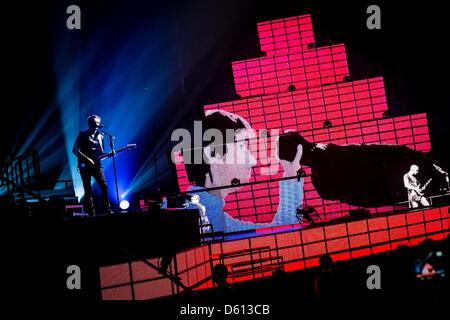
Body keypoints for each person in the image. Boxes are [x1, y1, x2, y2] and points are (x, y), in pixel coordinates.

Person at [181, 110, 303, 234]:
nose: (252, 160)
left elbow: (283, 231)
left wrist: (291, 174)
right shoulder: (188, 219)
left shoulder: (221, 221)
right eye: (241, 146)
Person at [278, 131, 440, 208]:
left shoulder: (323, 185)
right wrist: (406, 153)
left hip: (392, 188)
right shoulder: (328, 153)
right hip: (394, 172)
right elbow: (370, 150)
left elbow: (362, 200)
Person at [72, 114, 113, 216]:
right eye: (94, 123)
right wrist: (88, 159)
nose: (96, 124)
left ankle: (107, 210)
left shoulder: (101, 136)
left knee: (104, 186)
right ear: (89, 124)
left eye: (98, 123)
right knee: (88, 189)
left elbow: (100, 154)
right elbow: (75, 150)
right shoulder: (82, 134)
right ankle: (91, 213)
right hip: (84, 166)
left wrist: (110, 154)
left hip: (97, 165)